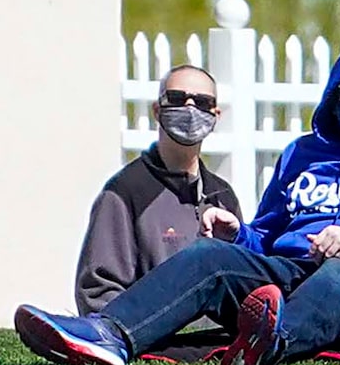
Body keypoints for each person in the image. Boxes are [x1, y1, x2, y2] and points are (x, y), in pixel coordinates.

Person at [12, 37, 340, 365]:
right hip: (294, 274)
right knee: (209, 256)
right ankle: (107, 335)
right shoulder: (302, 154)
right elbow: (268, 237)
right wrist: (240, 236)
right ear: (333, 98)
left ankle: (269, 341)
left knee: (339, 277)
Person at [73, 65, 242, 316]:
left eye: (202, 102)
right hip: (154, 343)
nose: (190, 108)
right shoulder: (123, 192)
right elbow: (98, 291)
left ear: (216, 115)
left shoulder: (223, 196)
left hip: (214, 344)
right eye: (176, 98)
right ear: (157, 110)